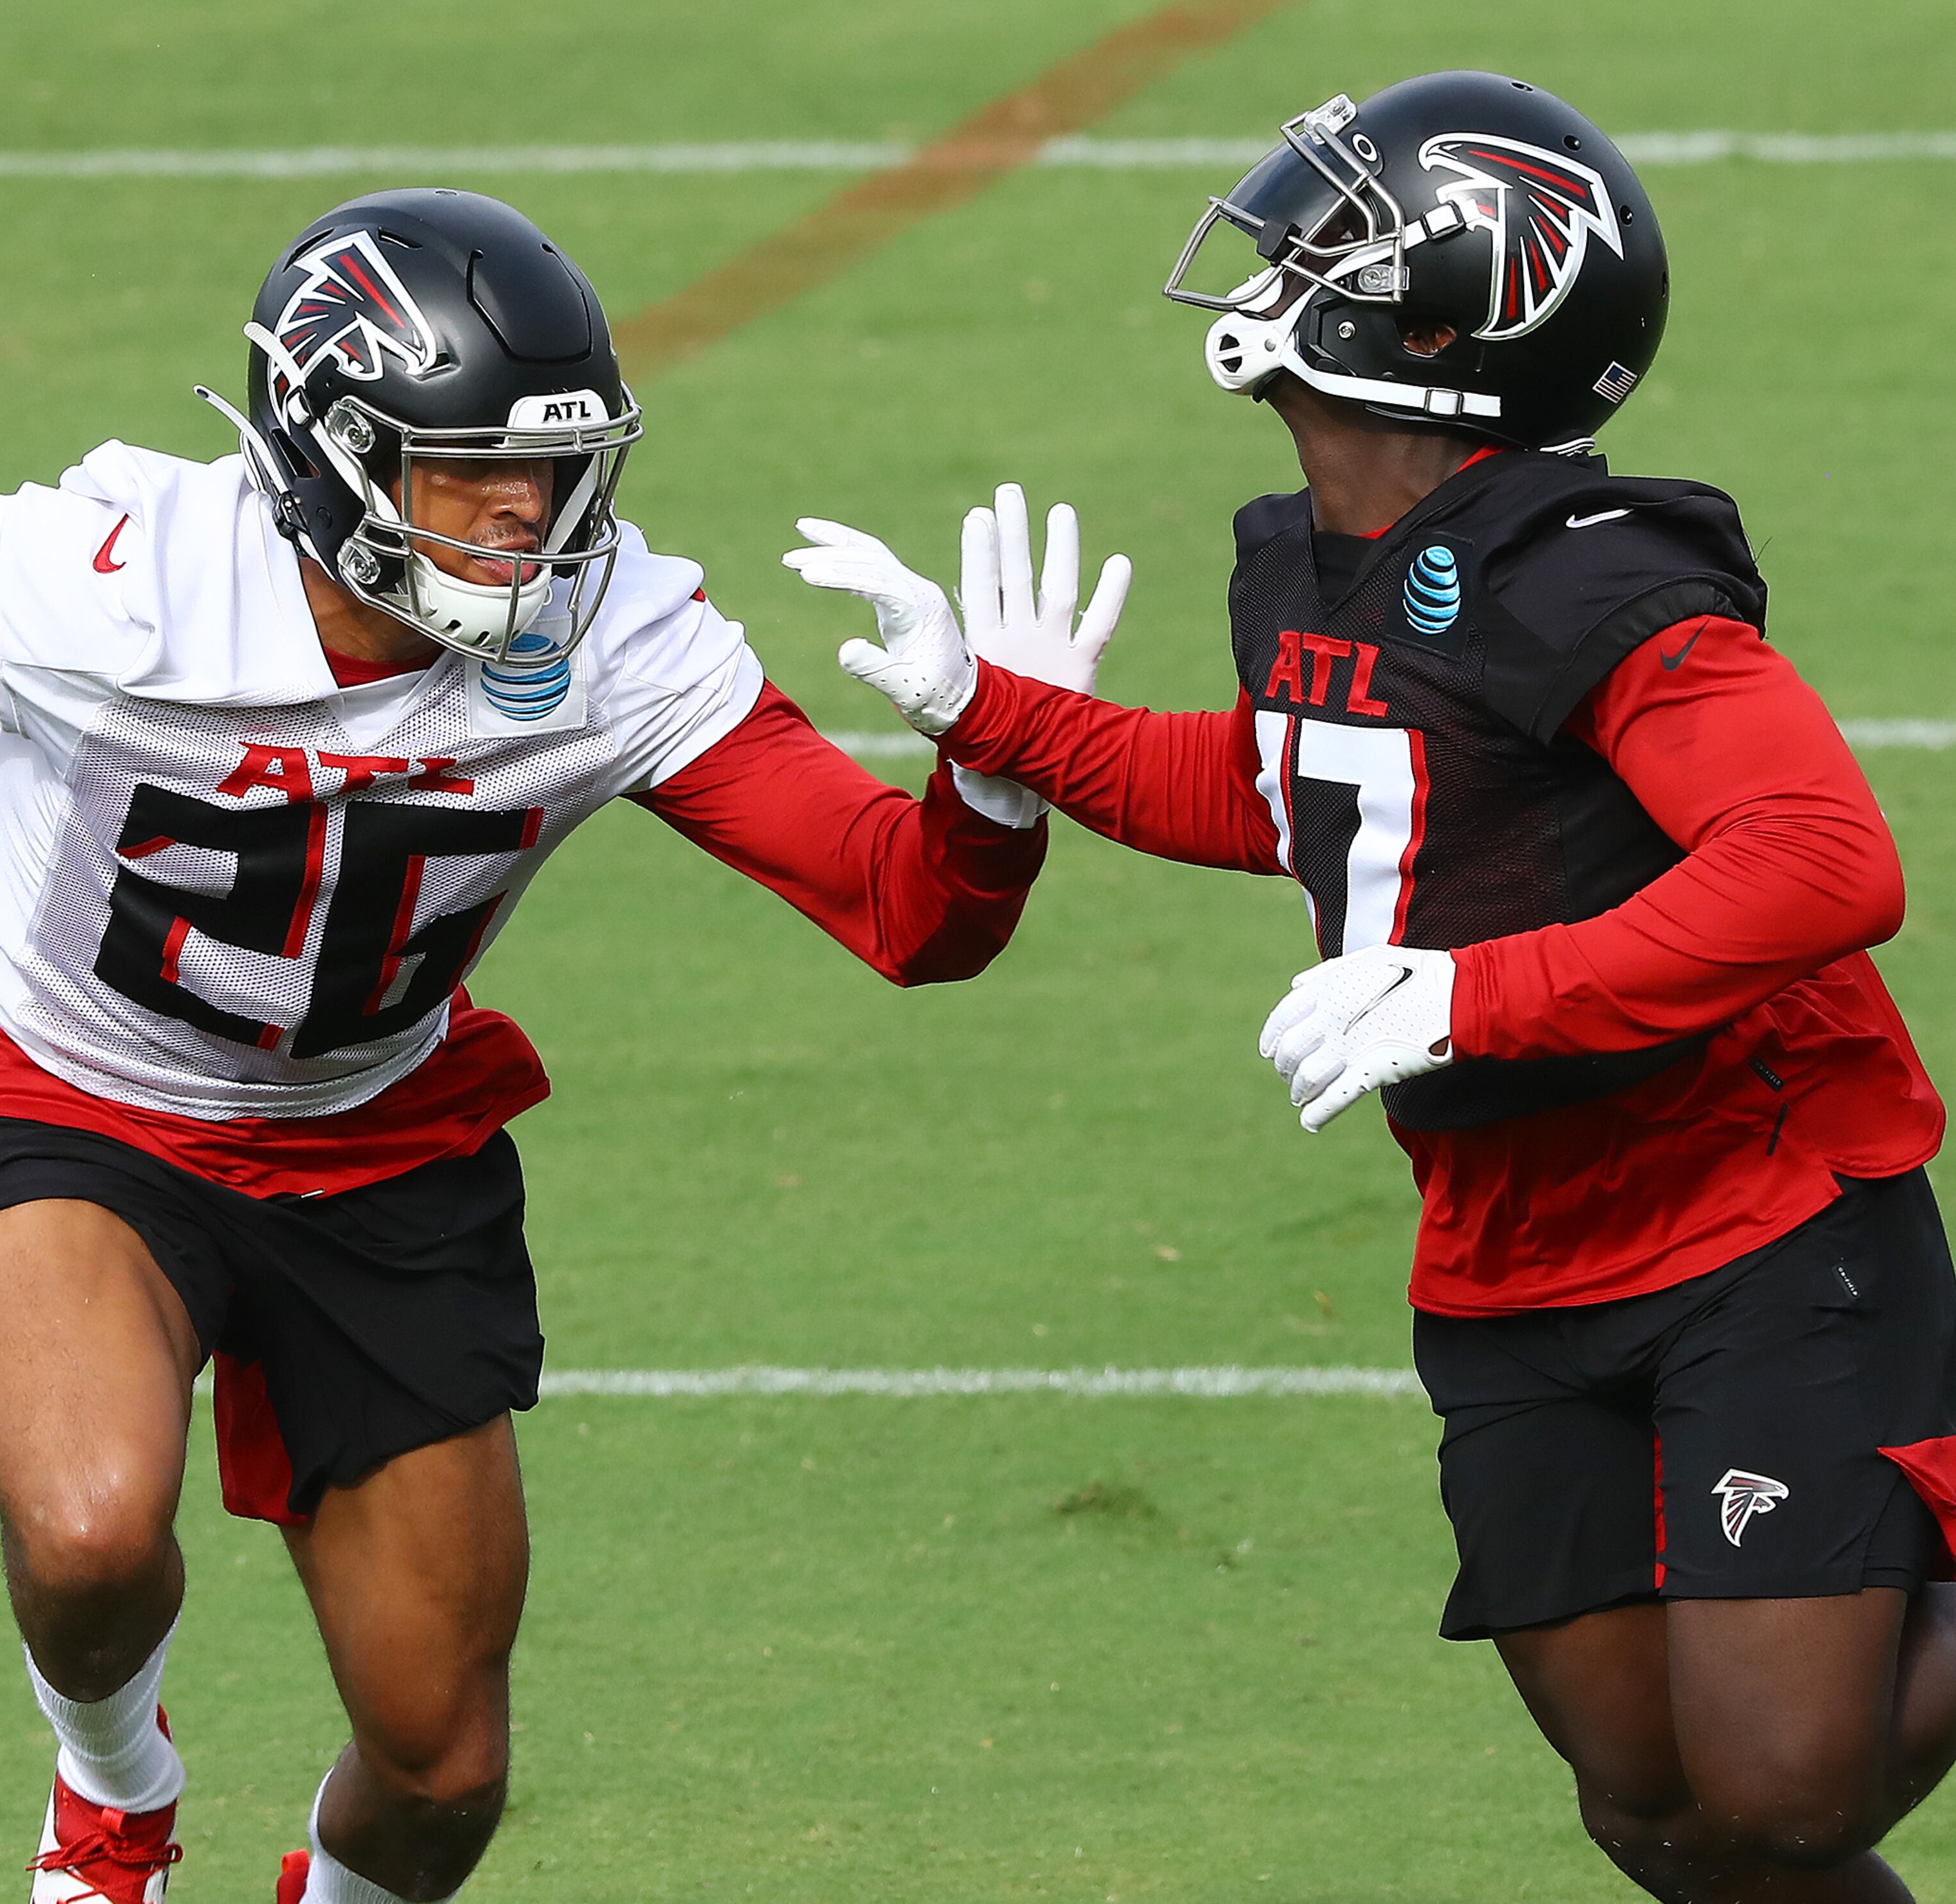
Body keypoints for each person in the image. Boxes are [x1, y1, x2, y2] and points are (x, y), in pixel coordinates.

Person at [0, 189, 1116, 1904]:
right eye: (471, 472)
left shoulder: (616, 639)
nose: (529, 523)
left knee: (442, 1773)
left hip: (379, 1146)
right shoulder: (116, 587)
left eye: (557, 477)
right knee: (95, 1526)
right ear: (333, 459)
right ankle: (114, 1800)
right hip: (75, 1100)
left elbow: (909, 916)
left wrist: (995, 765)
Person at [797, 71, 1956, 1903]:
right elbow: (1325, 801)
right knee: (1658, 1814)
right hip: (1505, 1240)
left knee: (1787, 1800)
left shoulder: (1595, 581)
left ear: (1452, 316)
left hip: (1752, 1217)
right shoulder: (1306, 560)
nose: (1279, 248)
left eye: (1336, 233)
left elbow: (1826, 866)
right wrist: (990, 717)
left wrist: (1475, 1000)